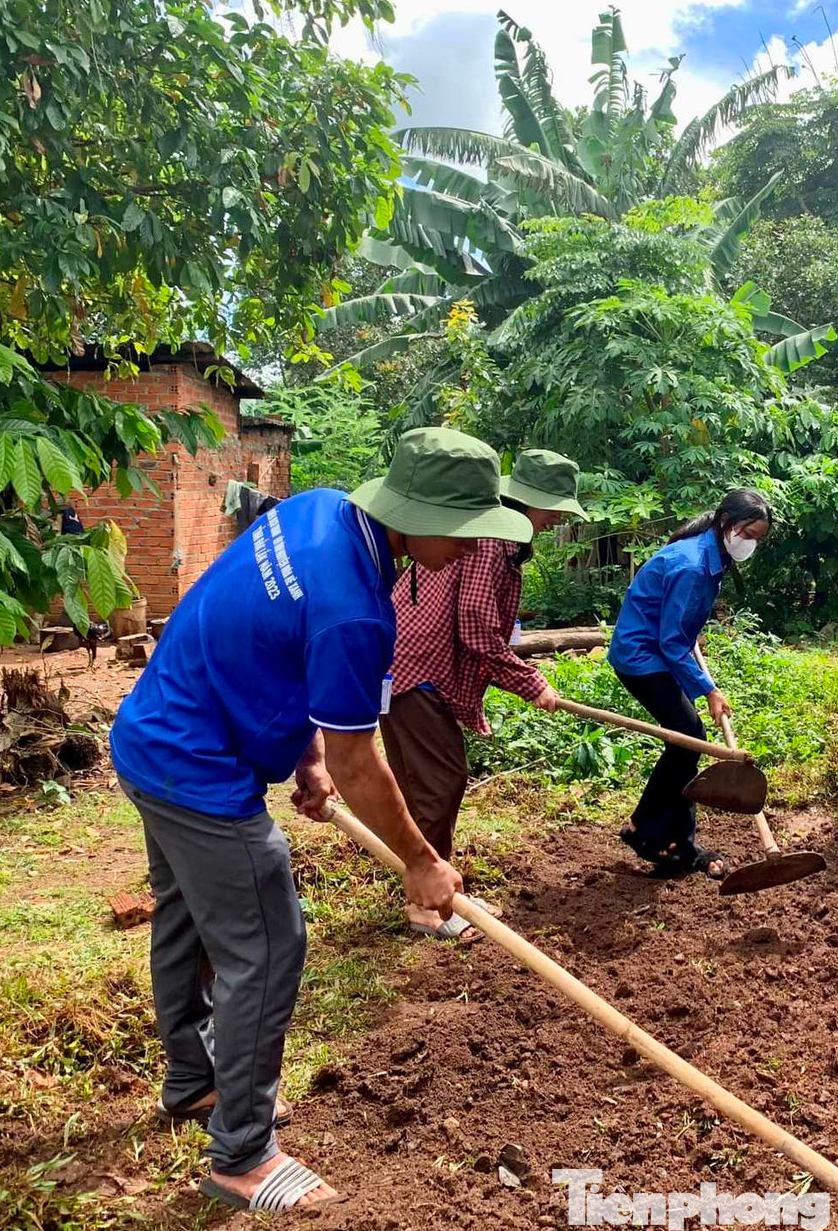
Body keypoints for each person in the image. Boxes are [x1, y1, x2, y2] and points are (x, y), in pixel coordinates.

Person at [109, 428, 532, 1211]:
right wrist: (419, 859)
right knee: (268, 946)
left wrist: (302, 757)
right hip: (200, 771)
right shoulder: (356, 612)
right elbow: (361, 761)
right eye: (468, 530)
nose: (477, 547)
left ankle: (194, 1083)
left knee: (186, 924)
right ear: (421, 514)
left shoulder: (319, 512)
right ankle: (243, 1156)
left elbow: (277, 648)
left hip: (151, 736)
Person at [382, 449, 587, 938]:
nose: (557, 517)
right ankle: (427, 907)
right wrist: (530, 681)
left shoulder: (489, 537)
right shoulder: (493, 540)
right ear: (526, 503)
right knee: (442, 780)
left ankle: (427, 887)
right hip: (417, 668)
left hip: (395, 661)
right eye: (553, 507)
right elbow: (475, 628)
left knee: (418, 782)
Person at [607, 489, 773, 879]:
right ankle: (644, 827)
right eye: (747, 533)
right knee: (688, 738)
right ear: (726, 524)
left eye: (757, 539)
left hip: (657, 649)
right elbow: (669, 641)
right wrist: (709, 691)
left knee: (685, 741)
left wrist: (689, 635)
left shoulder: (711, 554)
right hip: (641, 657)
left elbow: (677, 627)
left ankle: (675, 840)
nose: (750, 543)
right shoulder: (691, 564)